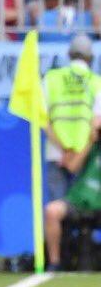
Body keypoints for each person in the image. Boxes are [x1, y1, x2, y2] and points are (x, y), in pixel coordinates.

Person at [43, 33, 101, 204]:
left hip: (56, 154)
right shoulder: (96, 82)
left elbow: (42, 120)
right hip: (84, 157)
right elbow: (96, 124)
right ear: (90, 58)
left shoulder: (51, 79)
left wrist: (64, 150)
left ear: (69, 55)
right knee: (81, 212)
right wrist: (76, 156)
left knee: (55, 211)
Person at [44, 122, 101, 271]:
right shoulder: (92, 148)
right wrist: (90, 141)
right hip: (79, 201)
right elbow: (72, 166)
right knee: (51, 211)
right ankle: (55, 263)